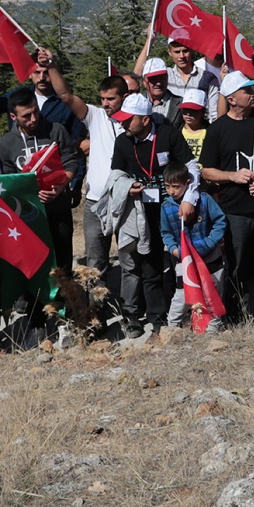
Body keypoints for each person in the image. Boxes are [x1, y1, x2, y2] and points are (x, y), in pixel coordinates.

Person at [39, 51, 128, 316]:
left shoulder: (134, 122)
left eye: (111, 98)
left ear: (125, 97)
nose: (106, 103)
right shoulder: (96, 116)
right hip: (95, 202)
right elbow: (66, 96)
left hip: (125, 201)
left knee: (129, 259)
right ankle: (95, 312)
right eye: (102, 99)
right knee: (94, 262)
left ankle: (130, 309)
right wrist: (52, 66)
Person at [199, 70, 254, 324]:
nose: (253, 94)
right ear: (232, 99)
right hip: (233, 211)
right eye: (247, 90)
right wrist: (233, 176)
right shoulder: (218, 129)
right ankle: (237, 316)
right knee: (236, 267)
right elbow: (206, 170)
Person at [103, 91, 188, 334]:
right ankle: (157, 319)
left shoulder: (169, 134)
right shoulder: (123, 141)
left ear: (146, 120)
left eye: (128, 119)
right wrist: (127, 188)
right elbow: (116, 175)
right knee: (149, 265)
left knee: (177, 262)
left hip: (171, 208)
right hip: (141, 212)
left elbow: (187, 165)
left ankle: (182, 312)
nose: (123, 123)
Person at [0, 90, 80, 275]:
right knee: (34, 263)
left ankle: (65, 299)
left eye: (36, 112)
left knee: (63, 261)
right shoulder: (7, 143)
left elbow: (71, 161)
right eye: (26, 116)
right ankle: (36, 301)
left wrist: (61, 186)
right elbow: (10, 178)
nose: (33, 119)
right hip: (29, 215)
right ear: (13, 116)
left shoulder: (56, 130)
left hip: (58, 209)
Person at [162, 161, 227, 327]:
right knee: (182, 295)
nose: (171, 191)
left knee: (212, 292)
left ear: (188, 183)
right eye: (167, 186)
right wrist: (175, 250)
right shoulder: (166, 206)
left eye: (176, 186)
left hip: (210, 256)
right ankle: (172, 327)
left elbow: (220, 222)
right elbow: (166, 233)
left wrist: (209, 243)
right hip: (183, 259)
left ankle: (213, 326)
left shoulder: (204, 200)